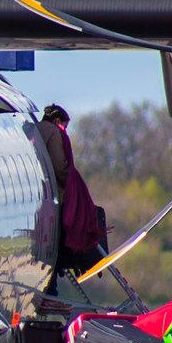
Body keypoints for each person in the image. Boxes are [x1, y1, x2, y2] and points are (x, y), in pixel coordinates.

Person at [36, 105, 107, 291]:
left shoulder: (34, 129)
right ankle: (52, 284)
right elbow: (60, 167)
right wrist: (73, 184)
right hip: (52, 196)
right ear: (57, 121)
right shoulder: (55, 133)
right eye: (65, 126)